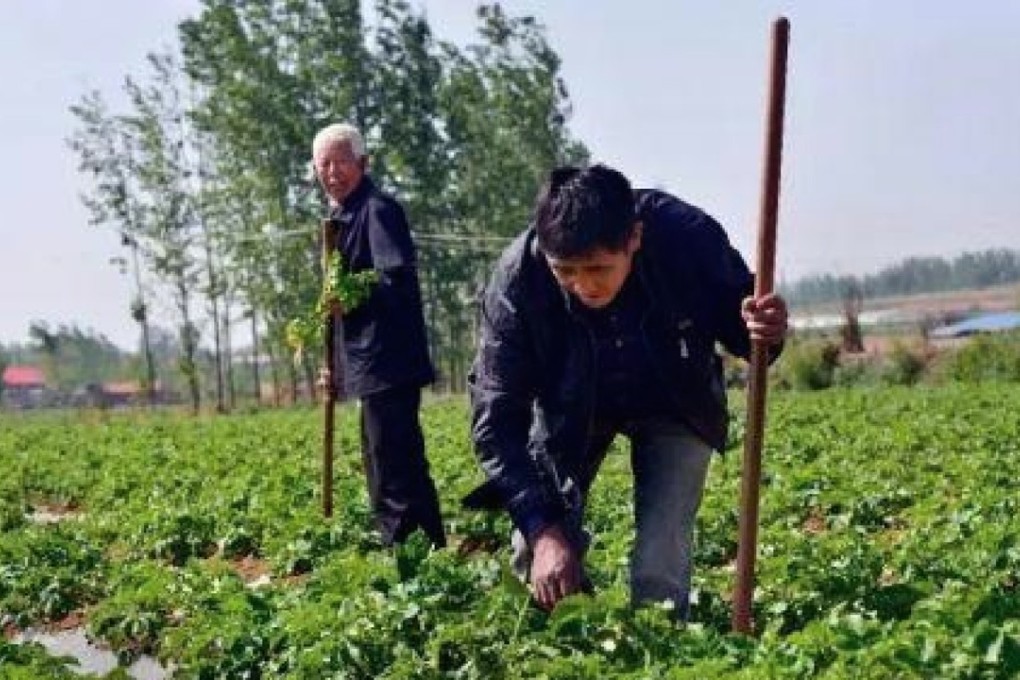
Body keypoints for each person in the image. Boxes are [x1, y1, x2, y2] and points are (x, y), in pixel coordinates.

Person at [464, 164, 787, 617]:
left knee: (660, 565)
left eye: (598, 268)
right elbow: (495, 420)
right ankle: (574, 650)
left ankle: (661, 652)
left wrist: (765, 329)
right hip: (571, 406)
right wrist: (543, 531)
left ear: (634, 238)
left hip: (676, 399)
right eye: (566, 271)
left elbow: (747, 335)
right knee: (533, 559)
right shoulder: (518, 281)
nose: (584, 285)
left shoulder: (686, 239)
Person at [312, 122, 446, 548]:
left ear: (363, 164)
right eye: (324, 164)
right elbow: (337, 308)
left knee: (392, 469)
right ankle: (428, 554)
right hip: (369, 365)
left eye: (342, 163)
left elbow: (394, 279)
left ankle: (409, 559)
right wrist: (333, 367)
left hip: (388, 362)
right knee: (389, 461)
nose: (333, 172)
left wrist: (351, 297)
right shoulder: (339, 220)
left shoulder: (378, 210)